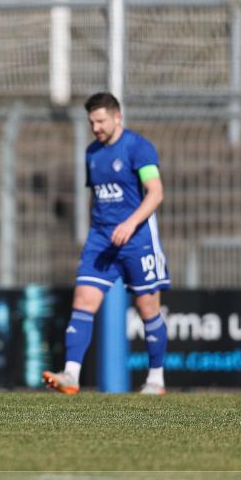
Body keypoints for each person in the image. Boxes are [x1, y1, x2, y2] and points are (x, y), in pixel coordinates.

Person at [43, 92, 169, 395]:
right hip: (101, 240)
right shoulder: (92, 153)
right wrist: (96, 231)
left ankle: (156, 379)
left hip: (137, 239)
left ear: (117, 117)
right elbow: (97, 196)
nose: (96, 127)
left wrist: (129, 223)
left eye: (100, 121)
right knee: (83, 302)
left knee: (147, 309)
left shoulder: (138, 148)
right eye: (91, 122)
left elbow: (155, 192)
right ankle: (71, 375)